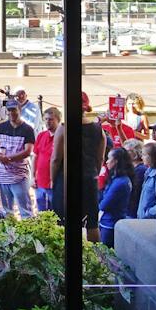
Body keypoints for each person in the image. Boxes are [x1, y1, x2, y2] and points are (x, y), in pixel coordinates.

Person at [52, 92, 108, 239]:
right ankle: (95, 257)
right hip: (89, 177)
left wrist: (53, 179)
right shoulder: (98, 129)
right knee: (92, 223)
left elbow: (56, 159)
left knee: (62, 221)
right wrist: (93, 171)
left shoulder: (63, 128)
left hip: (66, 178)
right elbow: (100, 157)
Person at [0, 101, 36, 218]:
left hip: (19, 176)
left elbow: (27, 151)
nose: (11, 113)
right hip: (2, 176)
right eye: (9, 110)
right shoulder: (1, 127)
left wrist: (9, 158)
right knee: (7, 212)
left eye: (14, 110)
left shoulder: (27, 129)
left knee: (25, 211)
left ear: (19, 110)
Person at [98, 147, 135, 246]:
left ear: (116, 161)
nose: (107, 162)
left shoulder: (120, 182)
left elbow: (104, 205)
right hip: (109, 221)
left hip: (110, 224)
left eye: (109, 159)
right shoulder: (119, 179)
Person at [33, 106, 61, 213]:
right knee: (41, 212)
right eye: (46, 119)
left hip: (54, 184)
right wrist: (32, 177)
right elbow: (35, 157)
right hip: (40, 183)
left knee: (55, 213)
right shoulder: (41, 135)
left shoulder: (62, 137)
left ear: (58, 120)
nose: (48, 122)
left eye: (51, 119)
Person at [123, 138, 147, 217]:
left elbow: (135, 192)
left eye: (127, 151)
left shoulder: (141, 170)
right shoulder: (131, 168)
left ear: (135, 152)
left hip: (133, 211)